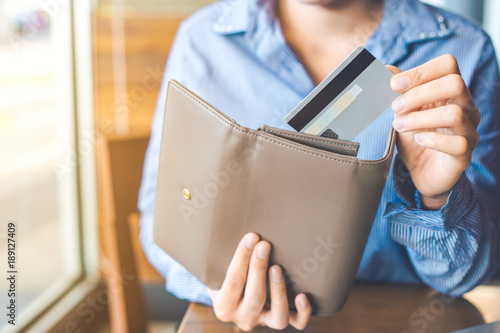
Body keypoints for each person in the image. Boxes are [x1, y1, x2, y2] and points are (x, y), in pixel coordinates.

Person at [138, 0, 500, 330]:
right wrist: (217, 283)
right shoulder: (202, 41)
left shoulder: (465, 50)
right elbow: (161, 214)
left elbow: (469, 274)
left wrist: (436, 197)